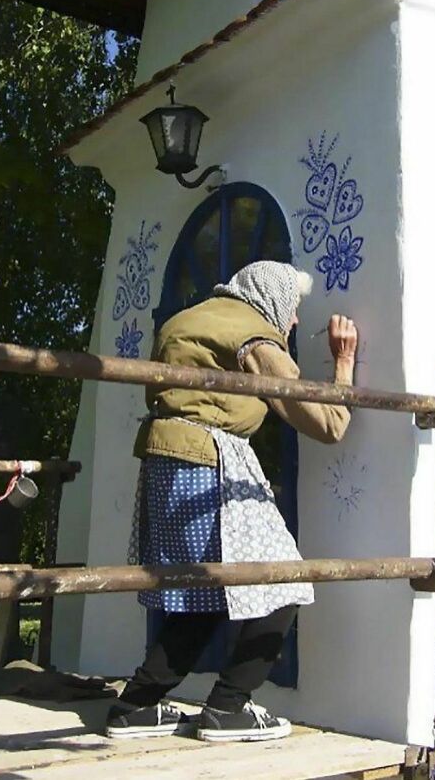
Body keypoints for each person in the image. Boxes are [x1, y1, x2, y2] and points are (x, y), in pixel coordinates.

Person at [106, 261, 358, 743]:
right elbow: (329, 424)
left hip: (164, 462)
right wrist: (343, 364)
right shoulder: (254, 337)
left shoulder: (184, 320)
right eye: (293, 307)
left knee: (205, 593)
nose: (295, 320)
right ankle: (227, 707)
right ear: (272, 298)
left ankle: (133, 707)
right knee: (286, 579)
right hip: (210, 460)